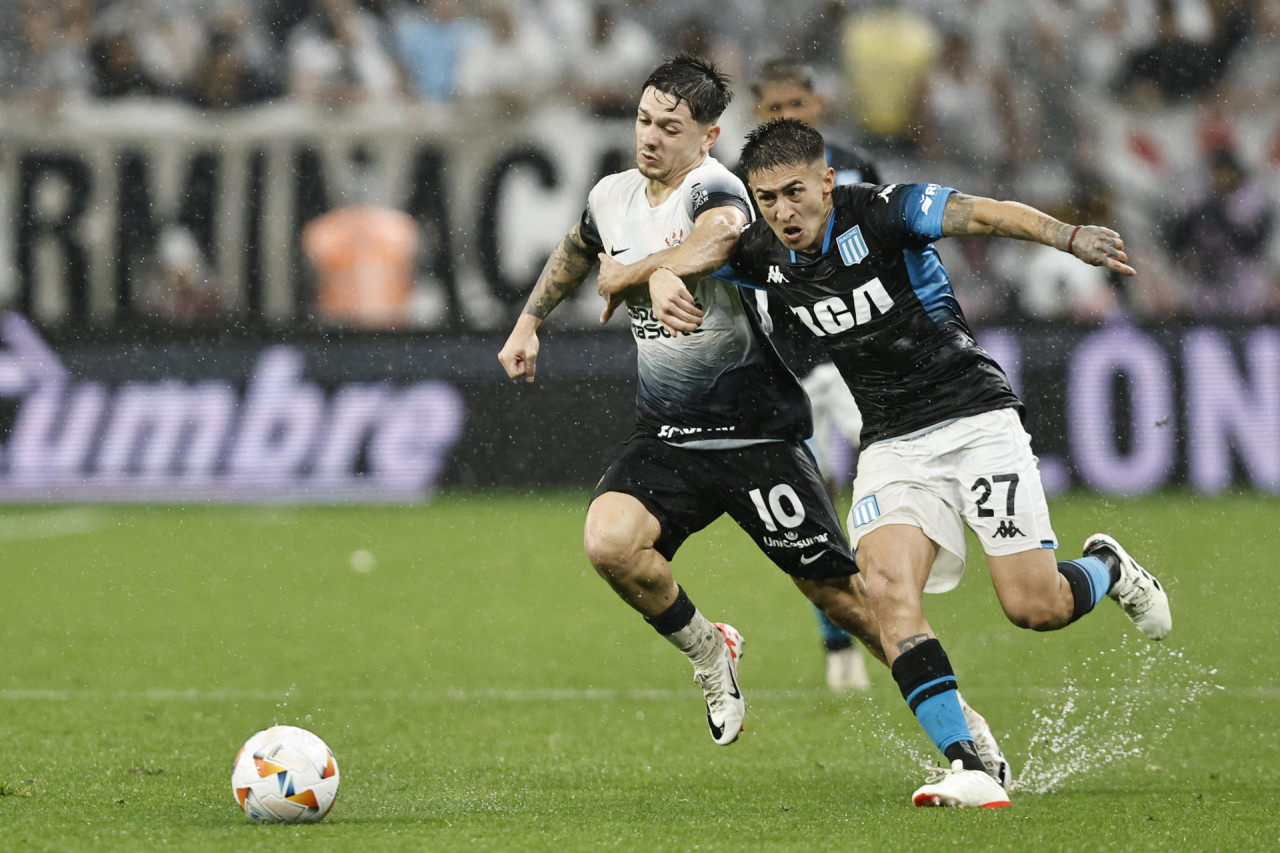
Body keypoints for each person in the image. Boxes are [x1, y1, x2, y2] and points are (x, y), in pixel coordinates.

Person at [498, 58, 1009, 787]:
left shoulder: (720, 188)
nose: (650, 137)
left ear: (706, 137)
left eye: (670, 128)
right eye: (644, 120)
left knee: (848, 600)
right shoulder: (611, 196)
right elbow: (581, 245)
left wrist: (657, 268)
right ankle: (712, 651)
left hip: (758, 437)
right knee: (609, 542)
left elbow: (723, 231)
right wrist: (529, 321)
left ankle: (966, 728)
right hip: (669, 434)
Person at [687, 117, 1172, 808]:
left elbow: (984, 213)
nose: (783, 211)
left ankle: (1108, 568)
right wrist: (649, 276)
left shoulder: (885, 211)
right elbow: (684, 256)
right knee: (886, 593)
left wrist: (1067, 237)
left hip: (976, 420)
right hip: (891, 444)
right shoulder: (762, 251)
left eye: (795, 192)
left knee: (1034, 605)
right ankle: (968, 760)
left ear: (827, 180)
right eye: (767, 199)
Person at [739, 58, 881, 692]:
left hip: (854, 359)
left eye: (795, 104)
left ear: (817, 106)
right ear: (756, 112)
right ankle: (838, 640)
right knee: (813, 502)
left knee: (890, 478)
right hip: (784, 365)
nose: (786, 116)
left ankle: (893, 608)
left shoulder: (854, 170)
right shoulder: (740, 188)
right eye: (773, 108)